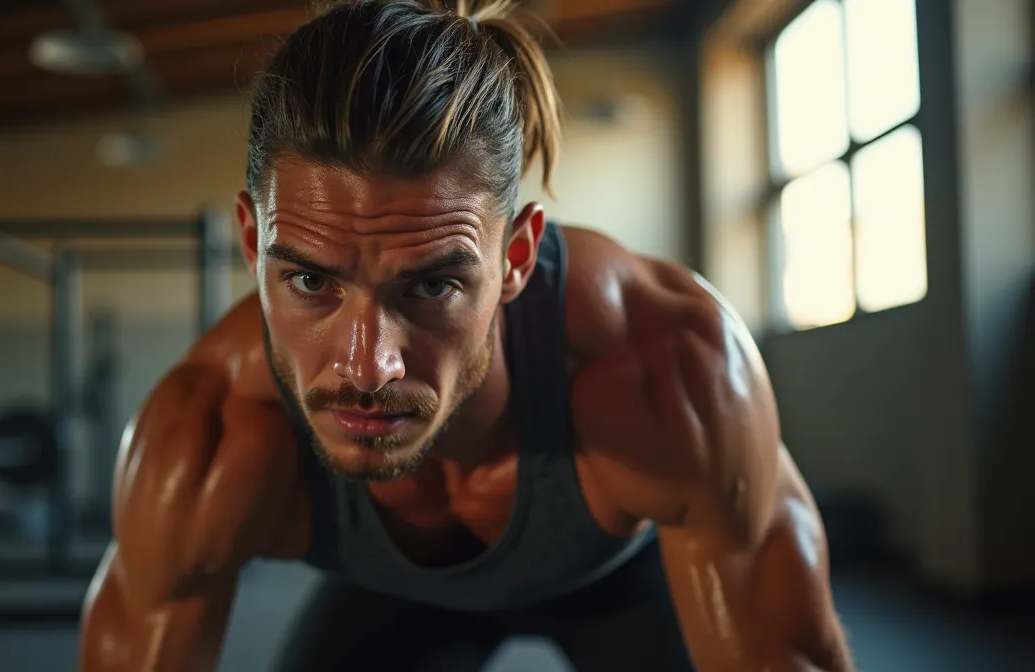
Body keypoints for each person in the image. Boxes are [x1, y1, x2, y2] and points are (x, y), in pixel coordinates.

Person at [79, 1, 855, 670]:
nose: (369, 366)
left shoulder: (666, 368)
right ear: (254, 244)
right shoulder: (212, 433)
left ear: (514, 256)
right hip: (392, 595)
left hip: (618, 581)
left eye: (430, 285)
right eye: (312, 281)